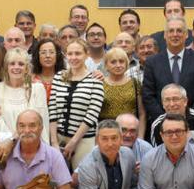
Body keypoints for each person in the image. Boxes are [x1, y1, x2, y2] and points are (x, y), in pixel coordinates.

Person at [49, 39, 104, 168]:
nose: (73, 57)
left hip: (83, 140)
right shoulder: (58, 77)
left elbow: (92, 114)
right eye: (70, 54)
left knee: (80, 179)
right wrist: (54, 142)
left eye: (78, 53)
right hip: (59, 137)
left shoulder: (95, 80)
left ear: (86, 54)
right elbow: (52, 110)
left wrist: (74, 142)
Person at [142, 17, 194, 121]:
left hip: (192, 122)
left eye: (179, 31)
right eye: (171, 31)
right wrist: (165, 119)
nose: (175, 34)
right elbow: (148, 95)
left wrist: (189, 118)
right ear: (165, 35)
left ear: (186, 34)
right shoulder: (152, 62)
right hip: (162, 123)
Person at [149, 84, 194, 167]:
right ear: (163, 103)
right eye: (167, 100)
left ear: (185, 101)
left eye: (175, 99)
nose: (172, 104)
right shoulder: (157, 125)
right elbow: (158, 159)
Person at [0, 48, 49, 142]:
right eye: (12, 63)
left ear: (26, 69)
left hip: (32, 146)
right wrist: (12, 142)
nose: (16, 67)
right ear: (6, 67)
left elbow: (43, 123)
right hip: (5, 146)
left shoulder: (37, 89)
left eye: (21, 64)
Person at [99, 47, 146, 138]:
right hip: (106, 132)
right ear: (106, 65)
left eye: (121, 61)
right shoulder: (100, 84)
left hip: (130, 133)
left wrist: (140, 137)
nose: (118, 65)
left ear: (126, 63)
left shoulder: (135, 83)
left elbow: (142, 114)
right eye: (113, 62)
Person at [32, 38, 65, 104]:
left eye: (51, 52)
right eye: (43, 52)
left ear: (57, 55)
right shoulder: (31, 79)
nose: (48, 56)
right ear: (38, 56)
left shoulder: (65, 77)